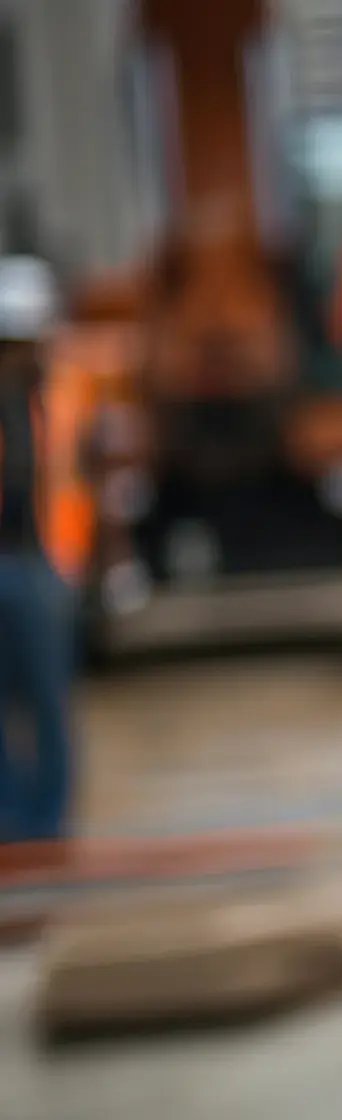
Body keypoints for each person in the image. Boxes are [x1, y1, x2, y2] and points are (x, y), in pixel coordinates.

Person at [0, 255, 92, 842]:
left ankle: (48, 823)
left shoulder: (61, 395)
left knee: (48, 701)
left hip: (44, 565)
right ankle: (11, 822)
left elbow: (83, 480)